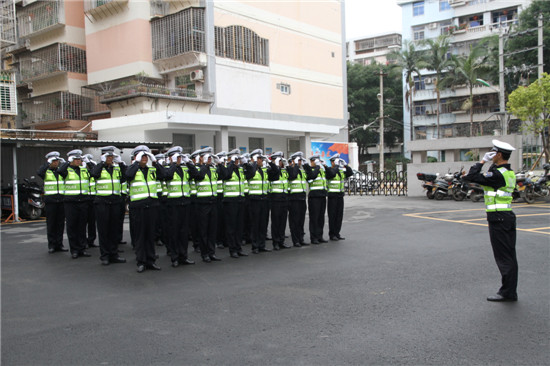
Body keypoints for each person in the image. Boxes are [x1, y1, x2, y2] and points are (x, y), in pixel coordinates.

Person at [463, 139, 518, 302]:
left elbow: (471, 177)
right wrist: (491, 163)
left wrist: (482, 161)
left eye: (493, 153)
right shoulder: (507, 172)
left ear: (499, 154)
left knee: (504, 257)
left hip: (499, 218)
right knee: (508, 255)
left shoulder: (497, 174)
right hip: (504, 217)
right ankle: (509, 290)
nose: (491, 155)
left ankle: (508, 292)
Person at [125, 145, 164, 273]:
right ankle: (141, 261)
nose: (144, 158)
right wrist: (136, 162)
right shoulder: (132, 169)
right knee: (140, 236)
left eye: (146, 156)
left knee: (150, 235)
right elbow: (128, 176)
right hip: (138, 207)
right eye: (142, 156)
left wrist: (155, 162)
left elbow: (163, 174)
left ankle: (151, 260)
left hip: (151, 206)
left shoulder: (152, 169)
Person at [89, 146, 127, 265]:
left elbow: (125, 177)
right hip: (102, 202)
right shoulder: (98, 168)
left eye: (112, 156)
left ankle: (114, 254)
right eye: (108, 156)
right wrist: (102, 163)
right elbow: (93, 174)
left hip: (115, 201)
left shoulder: (116, 168)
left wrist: (120, 163)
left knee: (114, 229)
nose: (111, 159)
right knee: (104, 230)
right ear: (103, 157)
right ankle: (105, 255)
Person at [163, 147, 197, 267]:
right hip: (173, 204)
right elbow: (167, 176)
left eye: (180, 157)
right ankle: (174, 257)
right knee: (174, 231)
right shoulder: (167, 168)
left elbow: (196, 174)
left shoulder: (185, 168)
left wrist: (189, 163)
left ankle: (183, 256)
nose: (179, 159)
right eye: (177, 157)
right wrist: (173, 164)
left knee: (183, 232)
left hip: (185, 203)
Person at [57, 149, 92, 259]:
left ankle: (82, 248)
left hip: (83, 201)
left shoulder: (83, 170)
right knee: (72, 226)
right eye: (76, 159)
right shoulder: (66, 169)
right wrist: (67, 162)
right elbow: (60, 171)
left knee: (82, 226)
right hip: (71, 202)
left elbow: (94, 172)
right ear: (71, 160)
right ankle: (74, 250)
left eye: (79, 159)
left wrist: (89, 162)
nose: (78, 161)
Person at [193, 147, 222, 263]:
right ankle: (204, 253)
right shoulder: (197, 168)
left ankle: (211, 252)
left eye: (210, 157)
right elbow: (199, 176)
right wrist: (204, 164)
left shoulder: (213, 169)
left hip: (213, 202)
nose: (210, 159)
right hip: (202, 203)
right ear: (201, 158)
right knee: (203, 230)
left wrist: (219, 162)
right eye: (207, 157)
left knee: (212, 229)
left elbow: (225, 174)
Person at [219, 149, 248, 258]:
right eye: (235, 158)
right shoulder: (226, 169)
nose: (237, 160)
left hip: (240, 201)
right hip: (230, 201)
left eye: (237, 158)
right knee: (231, 227)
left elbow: (251, 173)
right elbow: (226, 175)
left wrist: (245, 162)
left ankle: (238, 247)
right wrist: (230, 163)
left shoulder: (239, 169)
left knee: (239, 227)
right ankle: (232, 249)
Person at [37, 151, 67, 253]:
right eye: (54, 161)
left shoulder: (60, 170)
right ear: (49, 161)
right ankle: (52, 245)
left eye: (57, 161)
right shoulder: (46, 171)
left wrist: (64, 163)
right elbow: (39, 172)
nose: (56, 163)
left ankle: (59, 244)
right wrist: (47, 164)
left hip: (61, 200)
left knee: (60, 224)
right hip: (51, 201)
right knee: (51, 224)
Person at [243, 149, 271, 254]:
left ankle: (262, 245)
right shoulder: (250, 169)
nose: (261, 161)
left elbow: (275, 174)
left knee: (263, 224)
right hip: (254, 200)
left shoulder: (263, 170)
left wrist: (271, 163)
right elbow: (250, 174)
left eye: (261, 159)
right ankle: (255, 246)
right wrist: (254, 162)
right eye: (259, 159)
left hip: (264, 199)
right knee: (255, 224)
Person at [325, 153, 353, 241]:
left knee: (339, 216)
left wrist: (345, 165)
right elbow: (332, 174)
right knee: (332, 216)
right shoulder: (329, 170)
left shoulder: (340, 171)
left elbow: (350, 173)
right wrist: (337, 166)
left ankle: (337, 233)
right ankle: (332, 234)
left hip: (340, 196)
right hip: (332, 196)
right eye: (335, 161)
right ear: (332, 162)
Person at [268, 151, 291, 250]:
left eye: (281, 160)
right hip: (275, 199)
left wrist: (286, 165)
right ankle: (276, 242)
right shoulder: (270, 170)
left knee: (282, 222)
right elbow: (275, 175)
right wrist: (275, 165)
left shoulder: (284, 171)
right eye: (279, 160)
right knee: (276, 222)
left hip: (284, 199)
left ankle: (281, 241)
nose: (281, 162)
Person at [303, 154, 328, 244]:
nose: (315, 163)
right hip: (314, 197)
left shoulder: (321, 171)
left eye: (317, 161)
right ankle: (313, 237)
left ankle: (319, 236)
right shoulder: (310, 170)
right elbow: (311, 176)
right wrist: (318, 167)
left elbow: (329, 174)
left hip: (322, 196)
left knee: (321, 218)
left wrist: (324, 166)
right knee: (314, 218)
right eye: (314, 161)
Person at [287, 152, 308, 247]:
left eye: (300, 160)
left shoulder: (302, 171)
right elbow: (293, 176)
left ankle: (301, 238)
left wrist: (306, 165)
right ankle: (295, 240)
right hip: (293, 199)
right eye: (298, 160)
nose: (300, 162)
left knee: (301, 220)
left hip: (302, 198)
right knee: (294, 221)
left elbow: (311, 175)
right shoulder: (290, 169)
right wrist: (294, 165)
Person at [83, 154, 98, 249]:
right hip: (84, 198)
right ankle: (83, 241)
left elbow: (95, 171)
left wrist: (90, 163)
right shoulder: (82, 171)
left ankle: (91, 240)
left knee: (92, 222)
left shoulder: (93, 171)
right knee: (83, 222)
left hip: (93, 198)